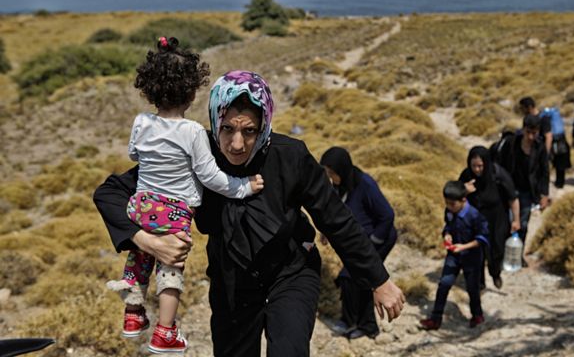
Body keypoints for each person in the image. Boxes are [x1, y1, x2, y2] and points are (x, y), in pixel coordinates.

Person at [93, 70, 405, 357]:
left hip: (291, 272)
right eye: (227, 129)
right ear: (216, 121)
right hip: (231, 283)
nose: (237, 144)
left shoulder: (290, 157)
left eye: (249, 130)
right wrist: (147, 241)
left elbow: (336, 220)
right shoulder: (192, 154)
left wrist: (379, 281)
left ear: (265, 124)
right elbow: (110, 193)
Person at [104, 38, 264, 354]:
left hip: (140, 206)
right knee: (170, 266)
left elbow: (133, 153)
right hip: (173, 212)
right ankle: (165, 331)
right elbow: (210, 176)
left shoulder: (141, 122)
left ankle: (133, 317)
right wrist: (244, 186)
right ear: (191, 93)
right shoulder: (191, 132)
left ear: (148, 88)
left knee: (140, 256)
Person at [319, 147, 397, 340]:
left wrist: (373, 243)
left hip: (379, 239)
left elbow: (387, 216)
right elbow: (336, 210)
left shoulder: (365, 184)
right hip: (360, 240)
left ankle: (367, 326)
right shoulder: (341, 185)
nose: (330, 177)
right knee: (351, 278)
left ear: (342, 170)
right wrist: (327, 231)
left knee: (358, 278)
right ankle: (350, 320)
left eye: (332, 173)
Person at [419, 181, 489, 330]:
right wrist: (447, 235)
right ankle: (435, 318)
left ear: (463, 200)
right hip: (454, 256)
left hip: (472, 257)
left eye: (452, 204)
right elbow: (448, 227)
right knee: (444, 284)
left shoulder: (474, 215)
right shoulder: (449, 212)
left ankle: (477, 315)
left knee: (472, 288)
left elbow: (482, 239)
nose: (449, 207)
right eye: (447, 203)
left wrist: (464, 246)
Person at [459, 146, 520, 290]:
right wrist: (464, 191)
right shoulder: (467, 176)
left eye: (480, 166)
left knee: (497, 249)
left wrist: (516, 219)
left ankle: (495, 273)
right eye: (474, 166)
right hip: (475, 220)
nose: (477, 170)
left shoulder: (498, 174)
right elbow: (455, 199)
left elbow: (513, 198)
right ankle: (480, 282)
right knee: (478, 252)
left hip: (497, 218)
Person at [497, 114, 549, 267]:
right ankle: (502, 255)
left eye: (535, 133)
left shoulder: (540, 147)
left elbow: (544, 171)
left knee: (523, 224)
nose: (532, 136)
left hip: (528, 191)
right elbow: (500, 165)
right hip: (509, 188)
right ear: (524, 129)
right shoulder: (512, 143)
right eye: (529, 132)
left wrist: (544, 194)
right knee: (506, 222)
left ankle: (517, 255)